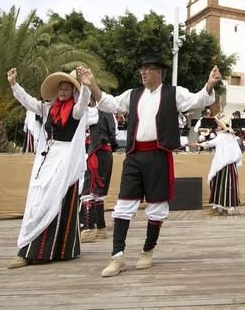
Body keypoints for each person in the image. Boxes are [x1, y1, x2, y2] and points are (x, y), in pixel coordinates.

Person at [77, 54, 221, 277]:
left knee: (156, 208)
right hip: (134, 156)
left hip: (158, 155)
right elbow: (109, 103)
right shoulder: (133, 94)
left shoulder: (174, 93)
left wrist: (210, 83)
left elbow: (198, 100)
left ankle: (148, 250)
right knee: (123, 205)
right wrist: (92, 84)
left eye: (148, 69)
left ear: (159, 72)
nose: (143, 73)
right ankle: (117, 256)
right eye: (141, 69)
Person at [6, 68, 90, 269]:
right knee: (39, 198)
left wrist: (86, 84)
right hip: (47, 158)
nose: (62, 92)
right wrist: (14, 84)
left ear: (73, 92)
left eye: (67, 89)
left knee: (54, 199)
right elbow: (28, 102)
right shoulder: (48, 109)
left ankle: (44, 250)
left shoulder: (76, 110)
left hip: (65, 159)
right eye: (60, 88)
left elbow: (84, 101)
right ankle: (39, 247)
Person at [80, 104, 118, 243]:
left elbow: (78, 120)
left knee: (88, 190)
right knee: (98, 193)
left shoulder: (93, 112)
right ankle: (101, 228)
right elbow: (114, 135)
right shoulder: (110, 113)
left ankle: (89, 229)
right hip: (107, 153)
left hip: (96, 153)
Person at [190, 117, 243, 215]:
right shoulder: (231, 136)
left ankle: (222, 207)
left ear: (222, 128)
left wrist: (198, 144)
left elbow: (210, 143)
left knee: (223, 185)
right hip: (228, 165)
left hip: (224, 165)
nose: (217, 127)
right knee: (226, 185)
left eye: (218, 126)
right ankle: (224, 207)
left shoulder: (223, 137)